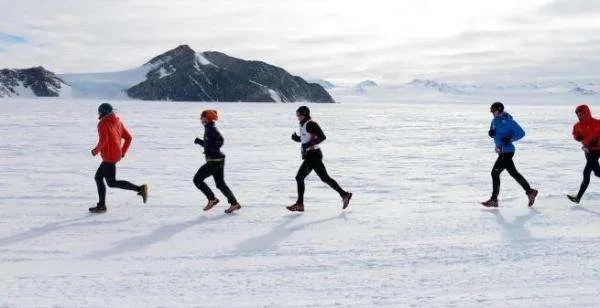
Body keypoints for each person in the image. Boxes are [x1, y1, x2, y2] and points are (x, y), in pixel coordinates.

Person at [287, 106, 352, 212]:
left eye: (299, 114)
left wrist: (307, 145)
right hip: (311, 155)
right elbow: (305, 138)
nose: (297, 116)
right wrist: (297, 139)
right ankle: (345, 195)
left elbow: (322, 137)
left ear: (305, 114)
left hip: (313, 155)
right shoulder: (303, 124)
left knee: (299, 177)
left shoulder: (311, 124)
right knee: (324, 178)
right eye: (297, 114)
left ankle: (300, 204)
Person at [90, 103, 148, 213]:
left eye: (100, 112)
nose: (99, 114)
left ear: (103, 112)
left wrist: (95, 151)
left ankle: (140, 189)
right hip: (115, 155)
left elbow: (104, 141)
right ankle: (101, 205)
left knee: (111, 182)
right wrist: (122, 152)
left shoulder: (102, 123)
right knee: (99, 178)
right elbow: (128, 138)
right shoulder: (118, 122)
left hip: (109, 157)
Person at [481, 102, 538, 208]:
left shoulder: (508, 121)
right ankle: (530, 191)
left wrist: (510, 138)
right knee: (514, 173)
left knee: (495, 173)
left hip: (507, 151)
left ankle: (494, 199)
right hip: (501, 151)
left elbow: (521, 133)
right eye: (492, 111)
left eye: (494, 111)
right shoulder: (494, 121)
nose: (493, 113)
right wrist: (491, 133)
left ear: (500, 110)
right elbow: (494, 131)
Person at [193, 109, 241, 214]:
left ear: (207, 118)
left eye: (202, 116)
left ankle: (212, 199)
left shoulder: (210, 129)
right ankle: (234, 204)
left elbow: (220, 140)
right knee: (220, 184)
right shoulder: (209, 128)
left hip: (214, 162)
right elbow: (209, 144)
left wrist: (213, 149)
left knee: (197, 180)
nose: (200, 118)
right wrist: (200, 142)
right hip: (218, 160)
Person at [567, 105, 600, 204]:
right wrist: (577, 137)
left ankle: (578, 197)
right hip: (587, 151)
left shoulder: (597, 123)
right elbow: (575, 134)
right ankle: (577, 198)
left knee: (586, 173)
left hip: (597, 150)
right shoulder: (577, 125)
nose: (579, 116)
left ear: (587, 113)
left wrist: (598, 142)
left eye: (581, 114)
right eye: (578, 114)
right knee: (597, 172)